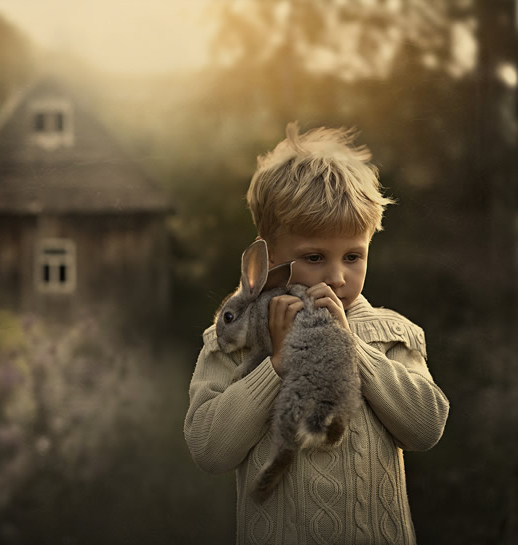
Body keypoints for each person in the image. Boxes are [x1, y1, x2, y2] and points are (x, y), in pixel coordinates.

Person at [184, 123, 450, 544]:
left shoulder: (391, 333)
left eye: (353, 256)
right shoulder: (233, 340)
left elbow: (426, 427)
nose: (337, 276)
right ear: (268, 257)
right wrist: (273, 368)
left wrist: (351, 347)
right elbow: (210, 450)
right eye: (314, 257)